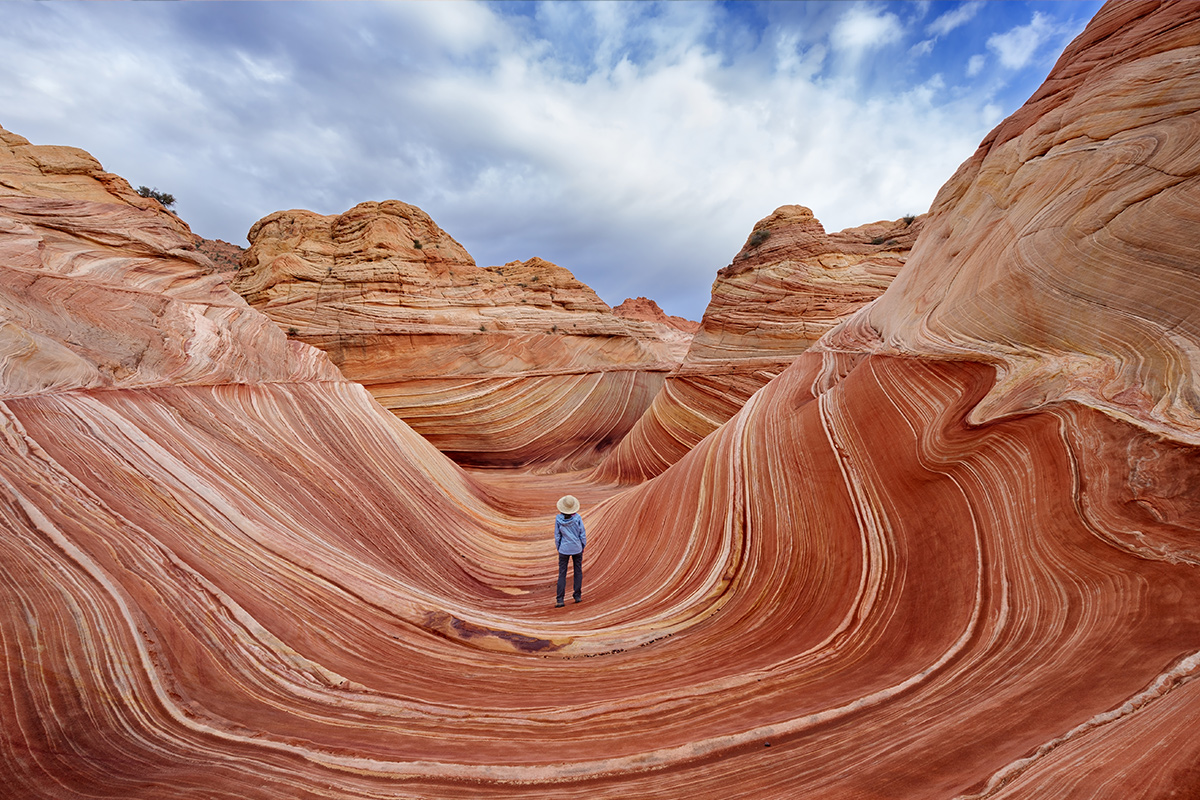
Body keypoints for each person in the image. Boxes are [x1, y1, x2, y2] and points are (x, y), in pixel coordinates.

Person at [554, 495, 586, 607]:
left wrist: (559, 548)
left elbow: (557, 536)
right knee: (578, 571)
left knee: (562, 573)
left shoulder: (558, 519)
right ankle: (577, 596)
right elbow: (582, 534)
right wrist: (582, 546)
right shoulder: (577, 518)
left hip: (564, 549)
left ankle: (560, 599)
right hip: (577, 547)